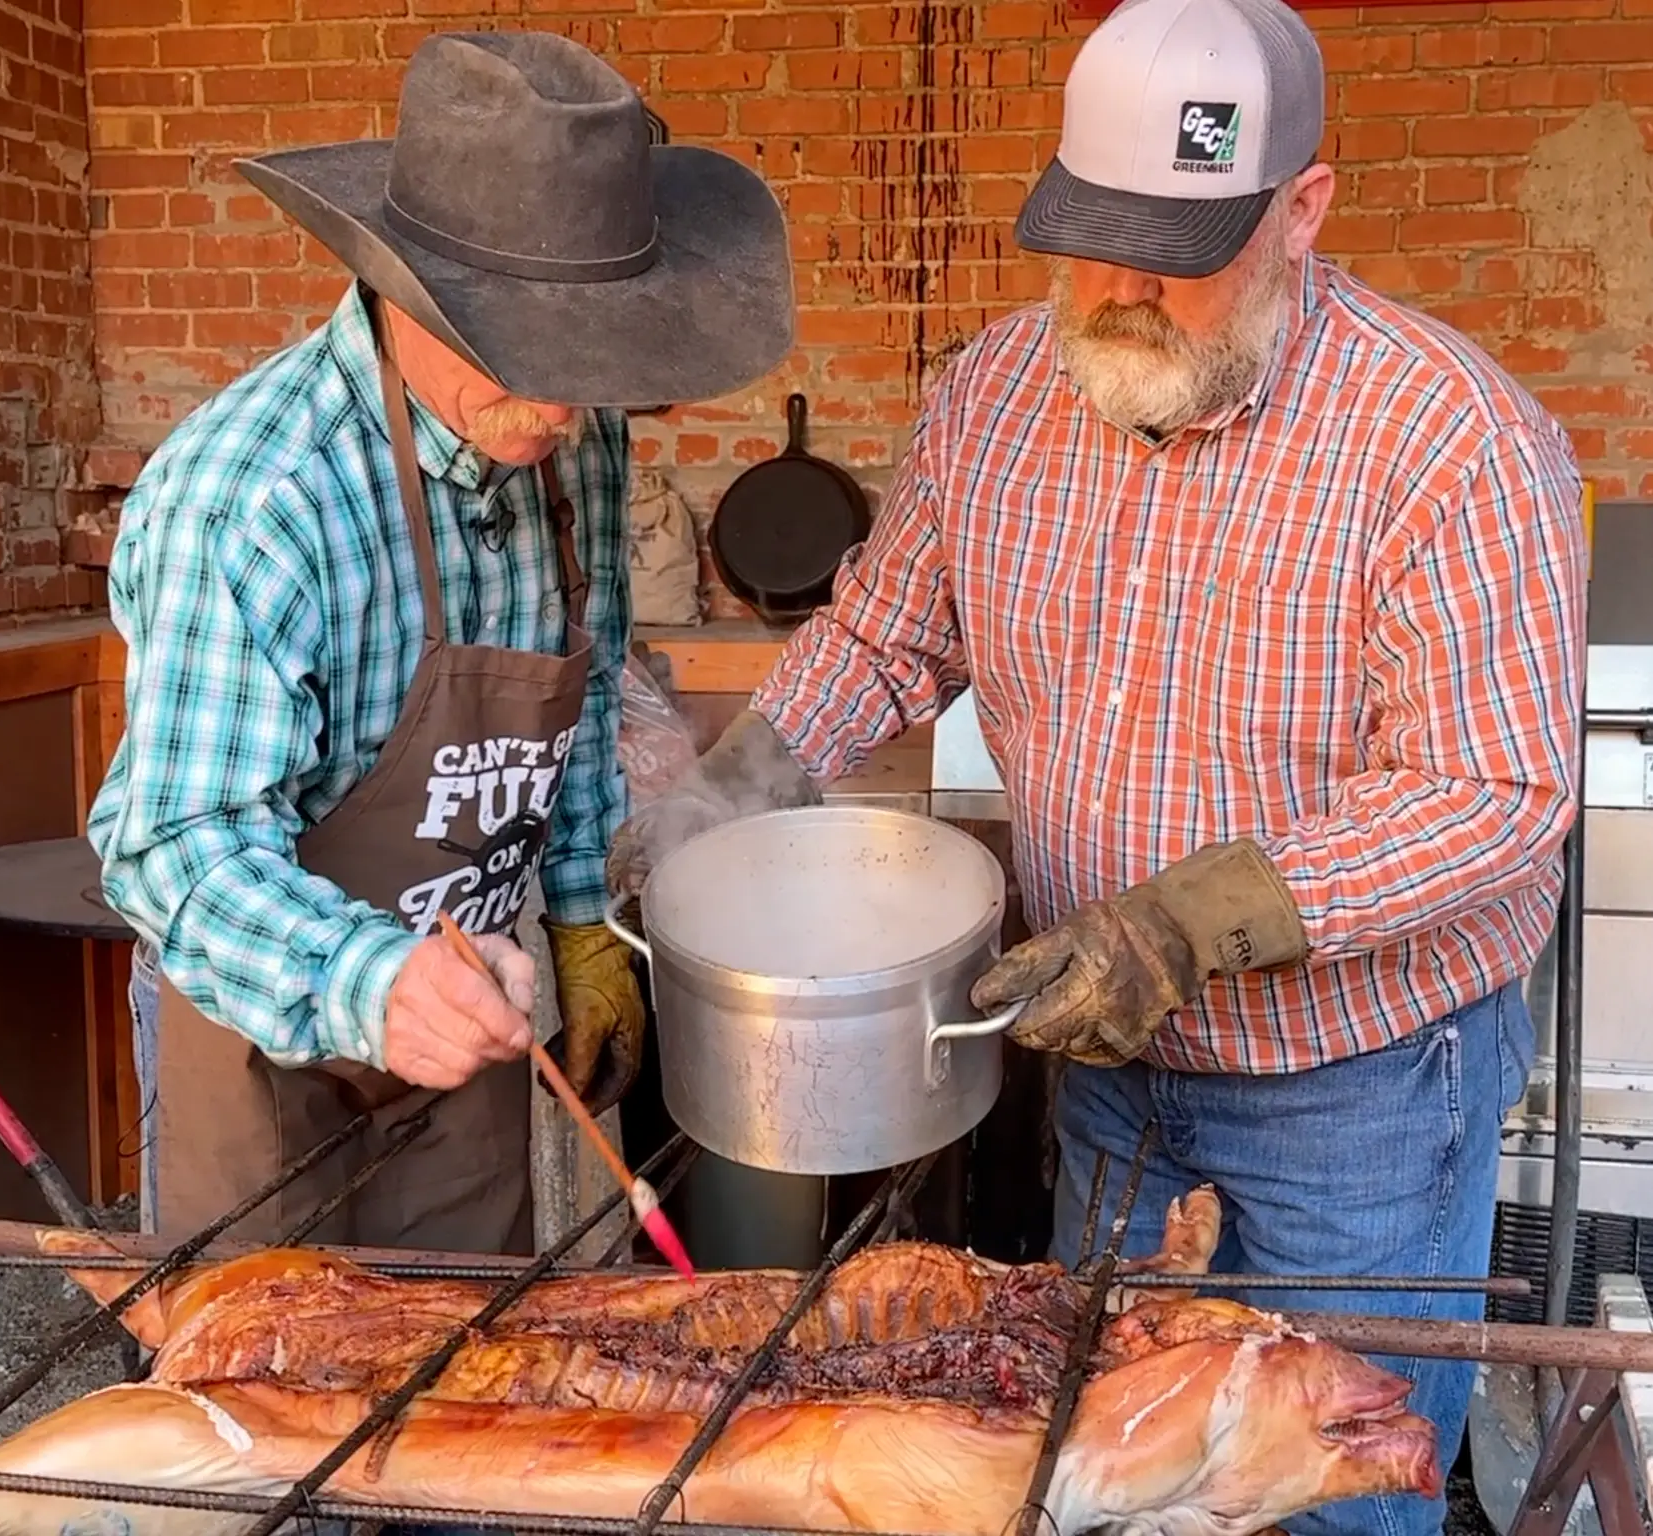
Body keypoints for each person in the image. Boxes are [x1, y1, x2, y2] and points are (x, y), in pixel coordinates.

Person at [607, 0, 1586, 1530]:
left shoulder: (1449, 441)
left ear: (1301, 210)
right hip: (1105, 1077)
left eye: (1175, 255)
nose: (1118, 293)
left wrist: (1184, 924)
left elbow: (1498, 795)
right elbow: (880, 637)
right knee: (1086, 1470)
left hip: (1360, 1088)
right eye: (1086, 236)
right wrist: (721, 802)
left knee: (1316, 1495)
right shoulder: (991, 400)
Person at [87, 29, 793, 1254]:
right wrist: (372, 983)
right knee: (275, 1419)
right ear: (411, 290)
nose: (565, 405)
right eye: (530, 353)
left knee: (475, 1394)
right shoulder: (255, 494)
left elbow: (569, 720)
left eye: (595, 359)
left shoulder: (579, 444)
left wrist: (576, 919)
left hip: (467, 1035)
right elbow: (173, 847)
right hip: (263, 1035)